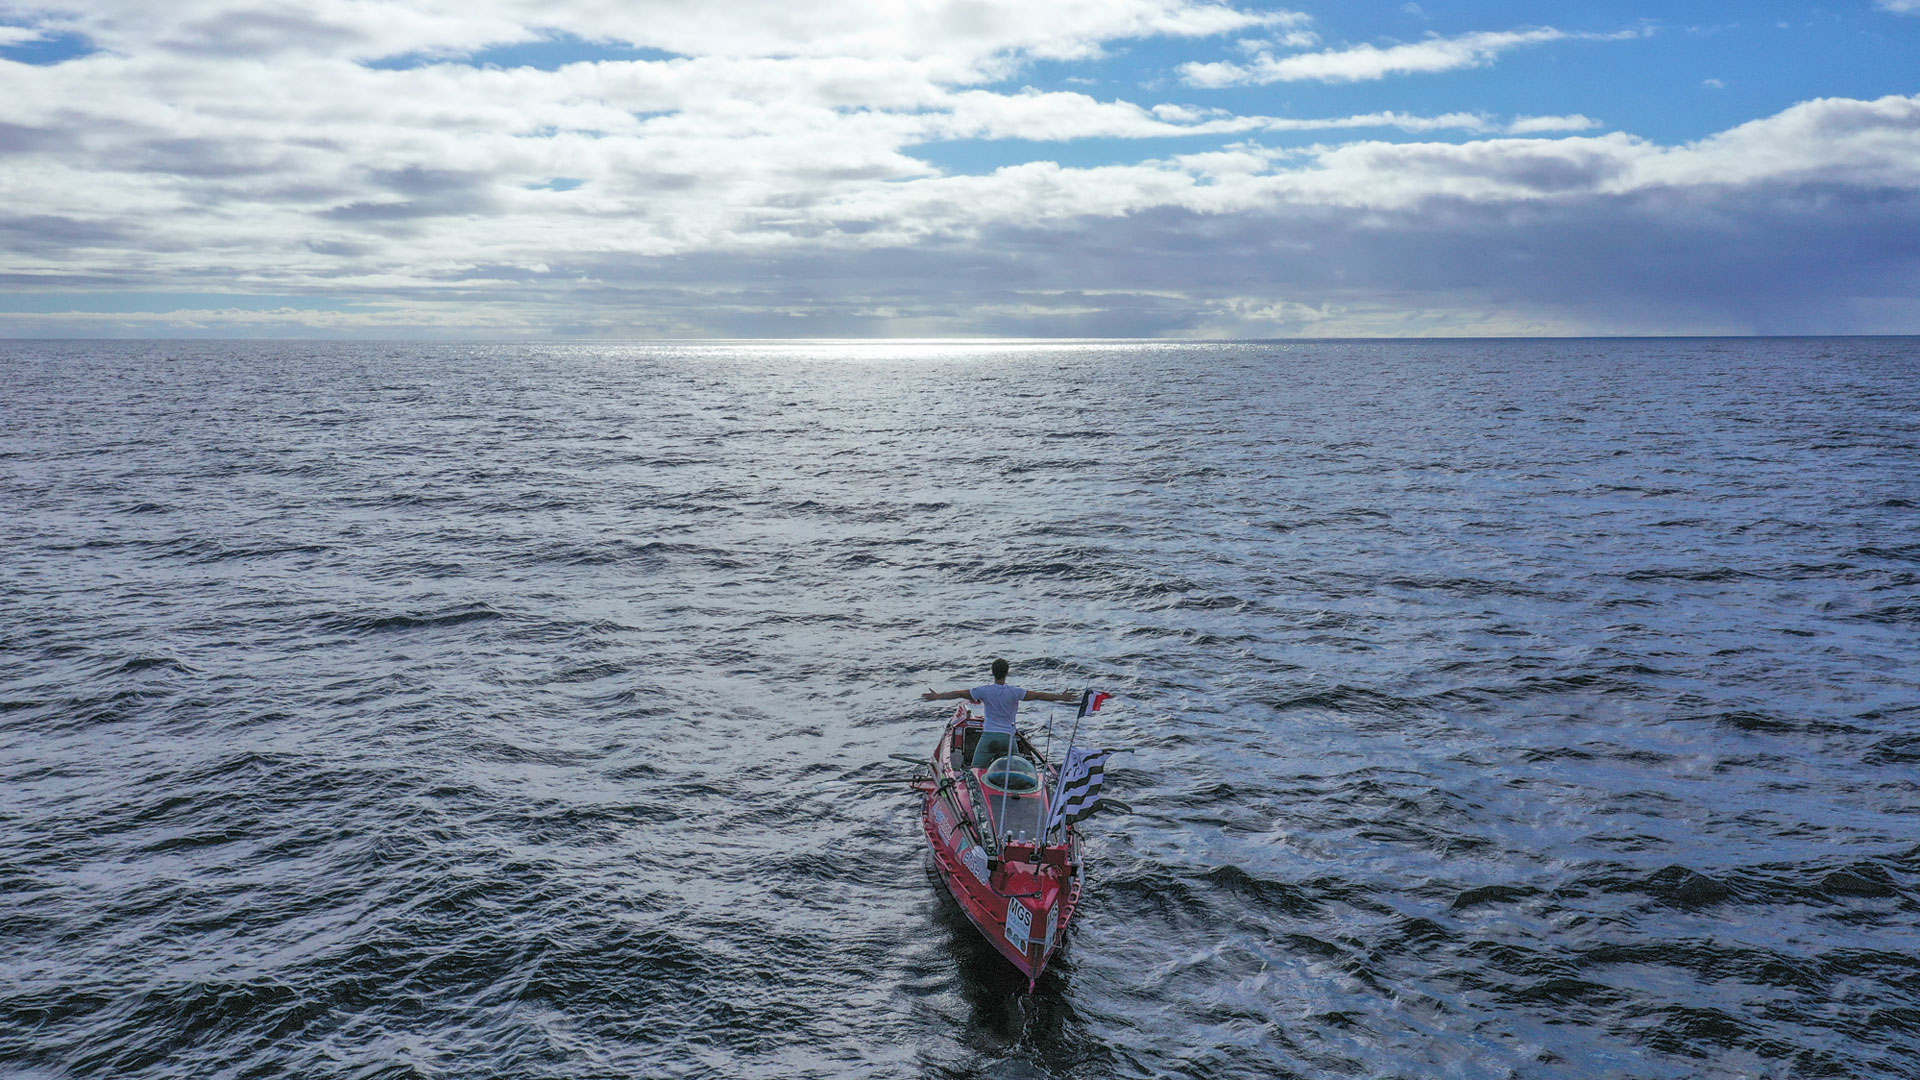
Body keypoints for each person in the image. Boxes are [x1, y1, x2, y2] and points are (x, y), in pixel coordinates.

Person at [923, 658, 1079, 768]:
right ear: (1007, 673)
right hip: (1009, 739)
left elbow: (959, 693)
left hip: (989, 737)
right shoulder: (1015, 692)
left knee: (975, 769)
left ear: (993, 673)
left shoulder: (984, 691)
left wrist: (937, 696)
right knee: (1016, 768)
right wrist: (1061, 697)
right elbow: (1039, 695)